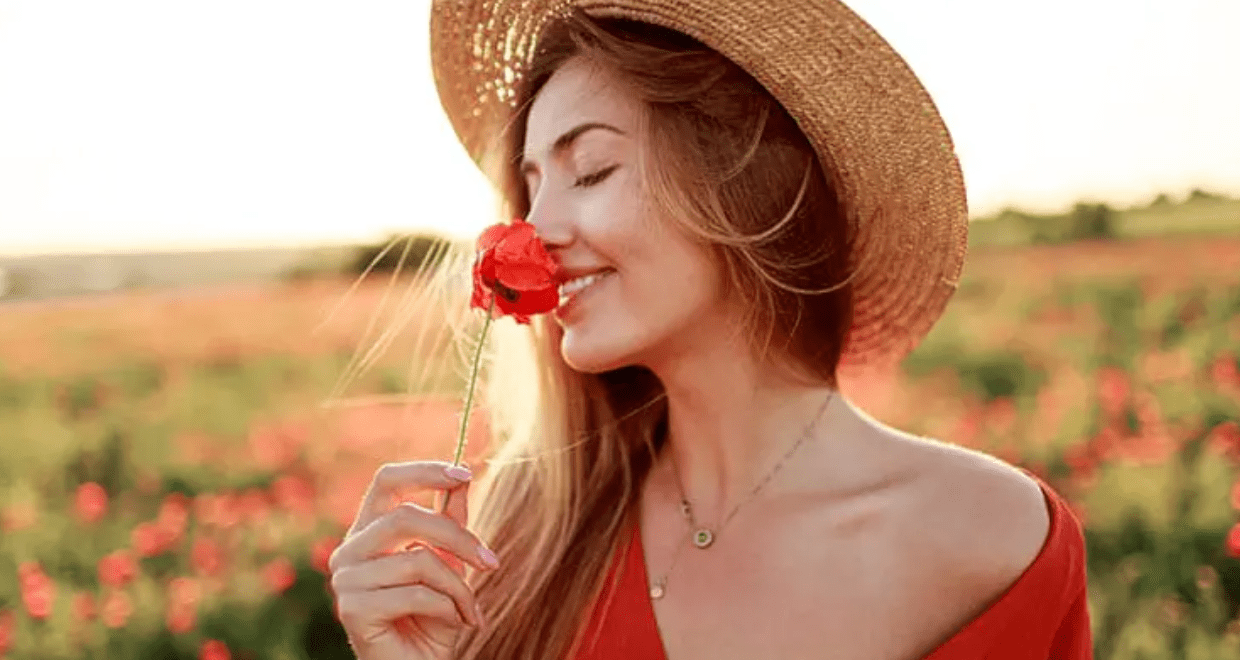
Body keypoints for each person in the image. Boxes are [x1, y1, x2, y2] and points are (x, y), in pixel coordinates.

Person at [327, 2, 1093, 659]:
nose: (535, 229)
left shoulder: (994, 540)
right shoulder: (513, 536)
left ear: (743, 183)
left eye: (590, 170)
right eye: (530, 188)